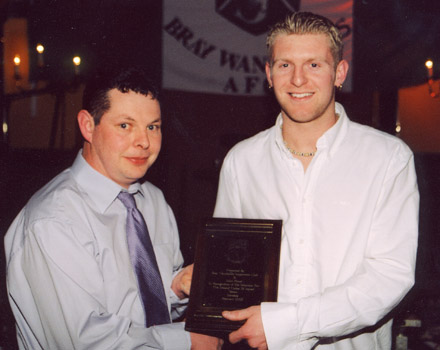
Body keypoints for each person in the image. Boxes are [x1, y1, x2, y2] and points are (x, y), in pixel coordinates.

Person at [214, 12, 419, 350]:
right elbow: (229, 267)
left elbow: (389, 276)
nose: (297, 80)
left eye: (313, 65)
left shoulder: (388, 159)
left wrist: (287, 323)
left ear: (339, 73)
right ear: (268, 74)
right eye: (284, 65)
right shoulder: (241, 161)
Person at [4, 67, 222, 350]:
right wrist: (186, 341)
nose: (144, 141)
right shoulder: (53, 220)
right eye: (125, 126)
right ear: (88, 126)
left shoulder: (153, 201)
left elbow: (138, 312)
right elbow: (86, 341)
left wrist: (175, 288)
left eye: (152, 127)